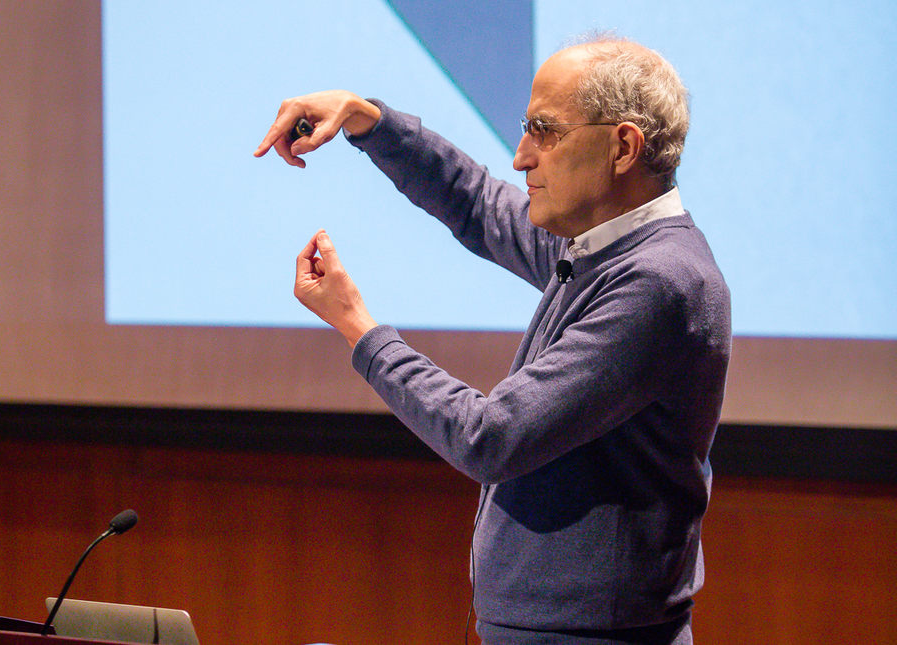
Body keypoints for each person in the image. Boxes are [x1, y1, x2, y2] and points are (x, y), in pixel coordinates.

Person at [255, 34, 731, 645]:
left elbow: (490, 437)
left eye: (545, 130)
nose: (521, 157)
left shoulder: (660, 282)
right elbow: (477, 203)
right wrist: (366, 119)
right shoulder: (602, 249)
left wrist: (359, 329)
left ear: (623, 146)